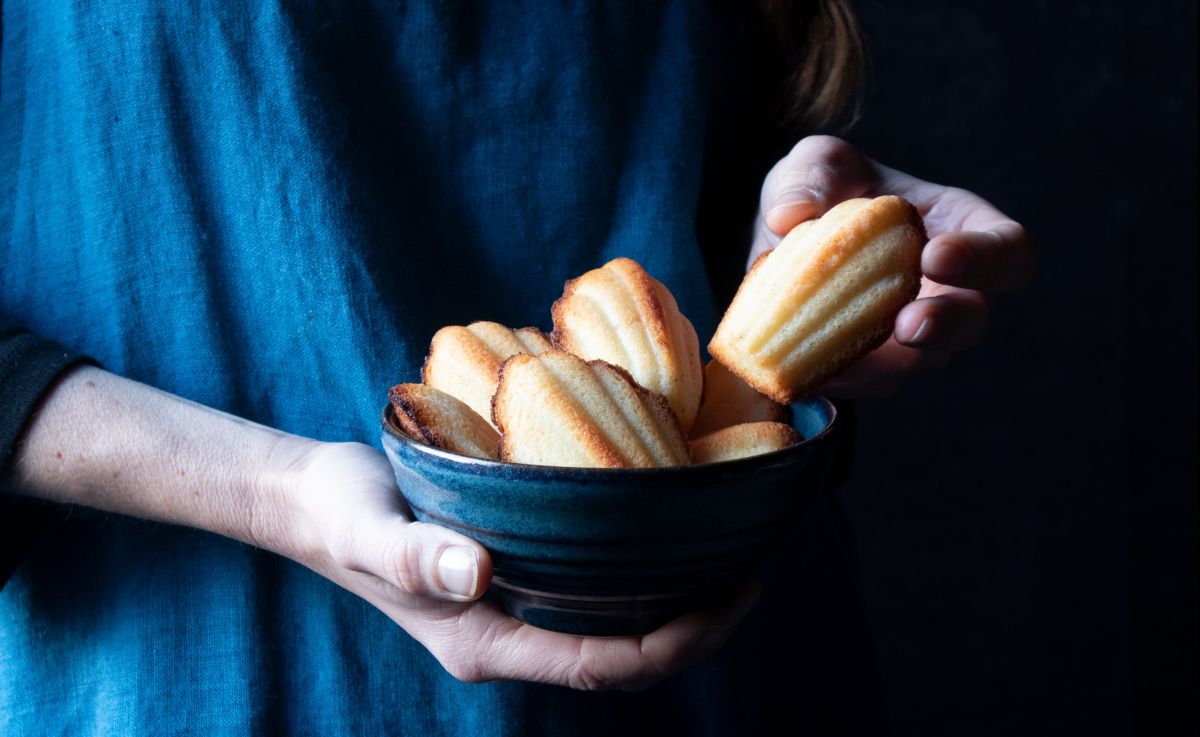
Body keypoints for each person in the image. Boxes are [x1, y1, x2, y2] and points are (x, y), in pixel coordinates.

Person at [0, 1, 1033, 734]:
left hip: (717, 649)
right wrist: (277, 491)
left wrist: (809, 242)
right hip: (220, 668)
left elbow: (677, 190)